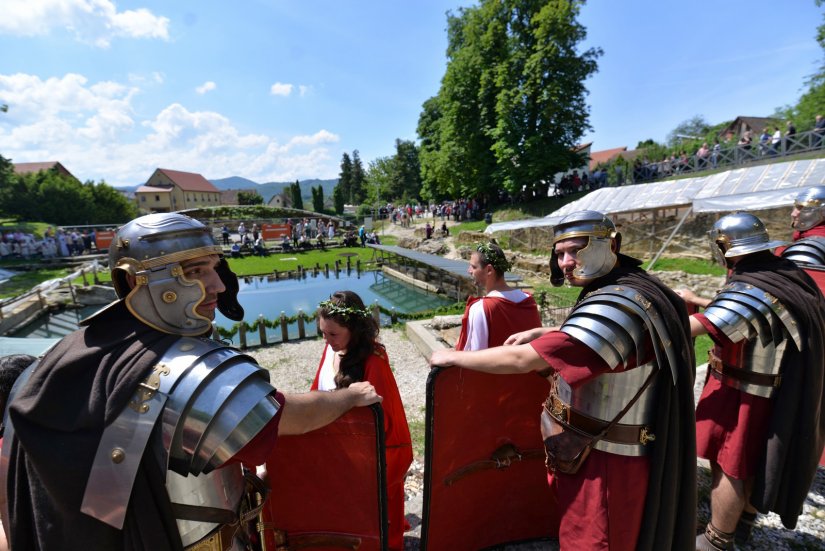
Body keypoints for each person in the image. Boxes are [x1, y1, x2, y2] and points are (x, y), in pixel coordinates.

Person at [0, 213, 381, 551]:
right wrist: (347, 397)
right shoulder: (183, 370)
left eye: (215, 268)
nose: (217, 285)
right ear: (135, 280)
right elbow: (286, 416)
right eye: (195, 271)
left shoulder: (59, 356)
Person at [429, 210, 696, 551]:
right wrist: (549, 330)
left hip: (606, 459)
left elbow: (522, 359)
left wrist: (452, 357)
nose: (567, 262)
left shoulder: (618, 304)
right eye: (559, 253)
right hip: (596, 444)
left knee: (592, 540)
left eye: (577, 249)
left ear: (611, 245)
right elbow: (596, 339)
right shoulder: (630, 288)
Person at [677, 212, 825, 550]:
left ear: (724, 245)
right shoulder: (782, 272)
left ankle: (717, 540)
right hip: (772, 386)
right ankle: (741, 524)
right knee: (751, 460)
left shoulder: (753, 288)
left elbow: (696, 327)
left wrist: (647, 318)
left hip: (744, 389)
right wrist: (700, 302)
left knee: (731, 465)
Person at [313, 291, 412, 550]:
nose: (327, 340)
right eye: (323, 333)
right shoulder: (330, 350)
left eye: (333, 334)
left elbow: (385, 423)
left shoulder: (374, 362)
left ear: (354, 330)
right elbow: (317, 395)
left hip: (363, 459)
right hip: (334, 450)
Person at [456, 242, 541, 351]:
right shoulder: (528, 299)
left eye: (473, 267)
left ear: (489, 270)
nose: (469, 271)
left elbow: (475, 359)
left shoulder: (481, 309)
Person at [781, 186, 825, 267]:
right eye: (796, 207)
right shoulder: (803, 234)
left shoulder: (812, 243)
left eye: (804, 209)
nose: (793, 214)